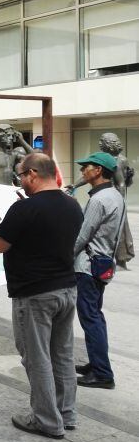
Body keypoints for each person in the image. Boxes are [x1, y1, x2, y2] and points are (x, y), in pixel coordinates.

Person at [0, 153, 83, 439]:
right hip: (66, 288)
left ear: (34, 174)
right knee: (62, 356)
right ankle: (66, 414)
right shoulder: (72, 205)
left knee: (37, 357)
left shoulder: (26, 209)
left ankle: (46, 420)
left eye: (22, 175)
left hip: (35, 294)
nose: (20, 181)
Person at [72, 152, 125, 390]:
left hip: (88, 266)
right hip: (102, 263)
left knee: (90, 317)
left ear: (99, 171)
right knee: (95, 315)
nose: (83, 171)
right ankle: (97, 364)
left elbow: (83, 235)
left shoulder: (99, 199)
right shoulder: (115, 195)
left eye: (87, 167)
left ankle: (102, 373)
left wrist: (64, 257)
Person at [67, 133, 134, 270]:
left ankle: (121, 260)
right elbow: (87, 176)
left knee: (119, 231)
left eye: (102, 142)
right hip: (113, 197)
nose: (100, 145)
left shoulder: (119, 160)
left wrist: (121, 201)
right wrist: (75, 185)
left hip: (113, 198)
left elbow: (123, 183)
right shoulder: (105, 160)